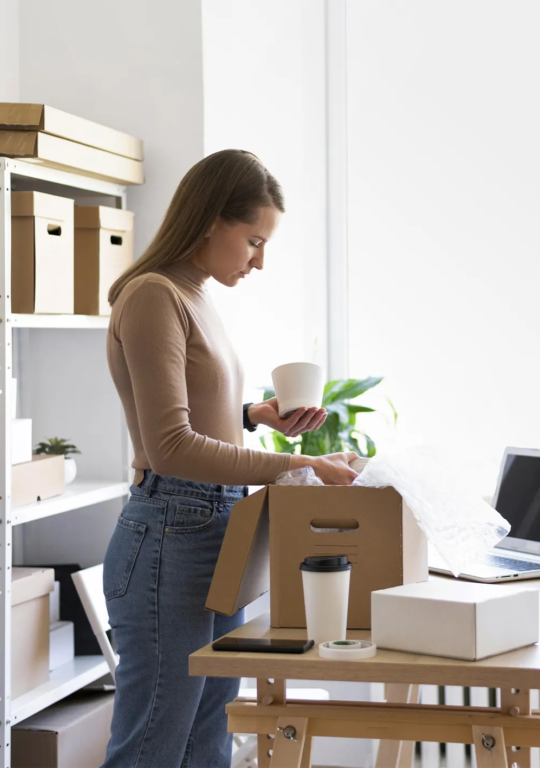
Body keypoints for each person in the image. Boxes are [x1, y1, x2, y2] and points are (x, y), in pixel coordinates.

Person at [102, 149, 357, 767]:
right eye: (253, 241)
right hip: (172, 536)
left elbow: (186, 413)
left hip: (216, 528)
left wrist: (254, 418)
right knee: (155, 745)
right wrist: (299, 468)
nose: (259, 261)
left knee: (207, 740)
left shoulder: (196, 295)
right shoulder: (152, 297)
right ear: (211, 220)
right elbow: (170, 447)